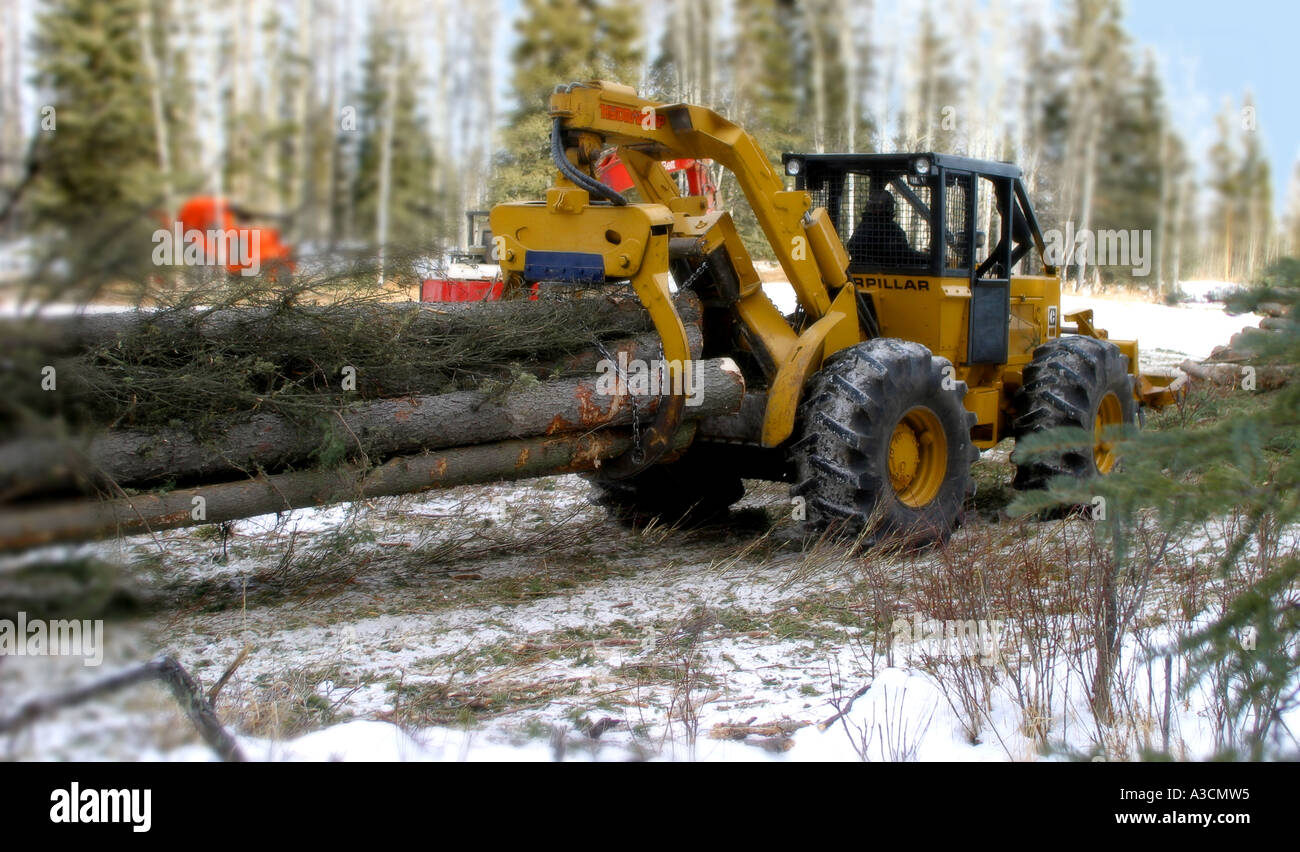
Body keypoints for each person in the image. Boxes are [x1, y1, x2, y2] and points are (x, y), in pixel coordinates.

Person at [847, 189, 930, 269]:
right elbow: (903, 254)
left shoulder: (864, 226)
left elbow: (852, 246)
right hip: (888, 274)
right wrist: (928, 258)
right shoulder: (890, 229)